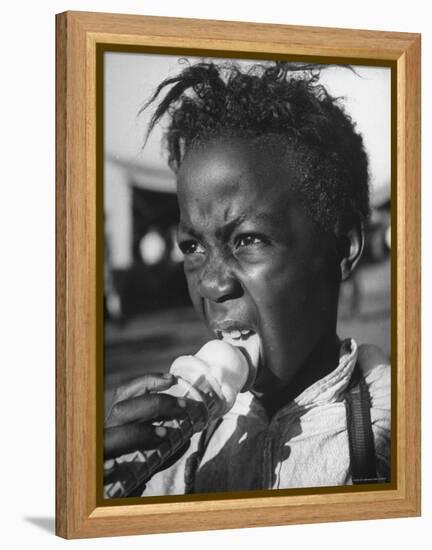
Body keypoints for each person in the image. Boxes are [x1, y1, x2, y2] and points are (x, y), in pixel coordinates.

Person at [104, 61, 391, 495]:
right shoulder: (181, 451)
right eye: (193, 247)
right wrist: (110, 492)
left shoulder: (397, 429)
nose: (212, 284)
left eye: (248, 239)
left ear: (343, 249)